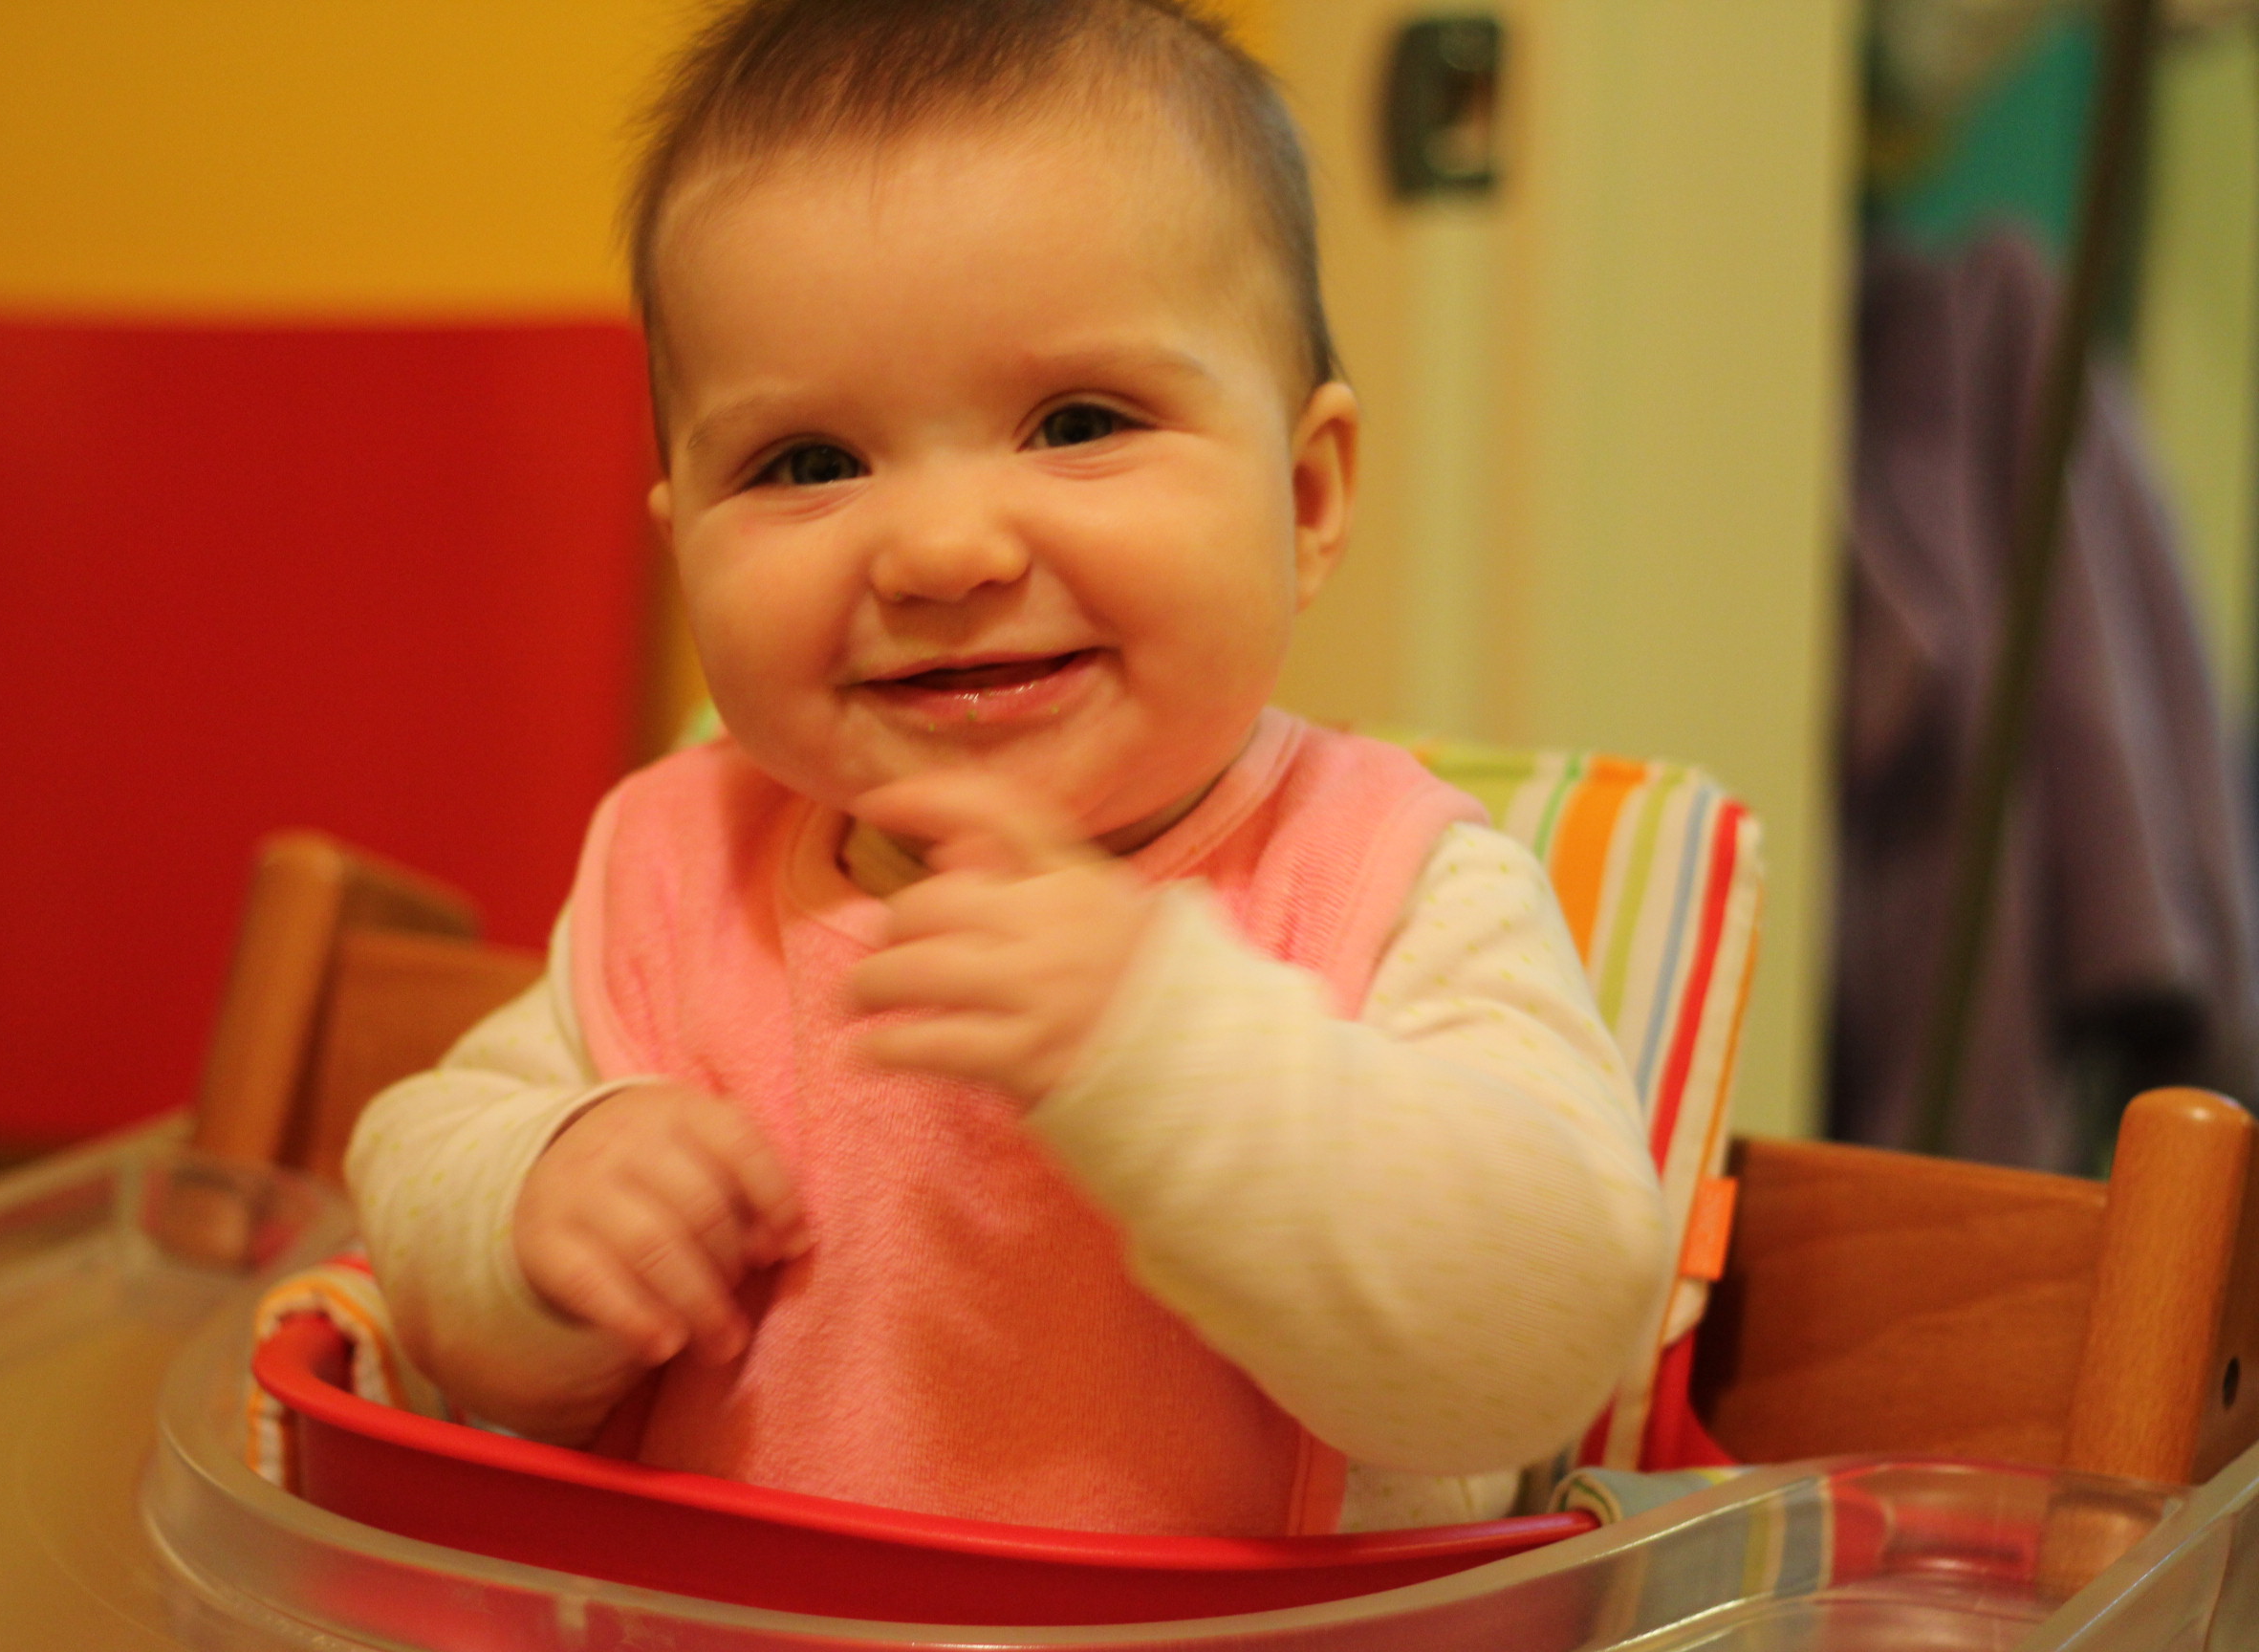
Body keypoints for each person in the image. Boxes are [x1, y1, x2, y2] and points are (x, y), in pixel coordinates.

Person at [346, 0, 1668, 1538]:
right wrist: (534, 1206)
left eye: (1078, 423)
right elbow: (414, 1174)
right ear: (684, 540)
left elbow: (1542, 1341)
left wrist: (1163, 1047)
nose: (942, 550)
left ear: (1304, 496)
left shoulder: (1391, 886)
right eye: (809, 464)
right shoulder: (676, 858)